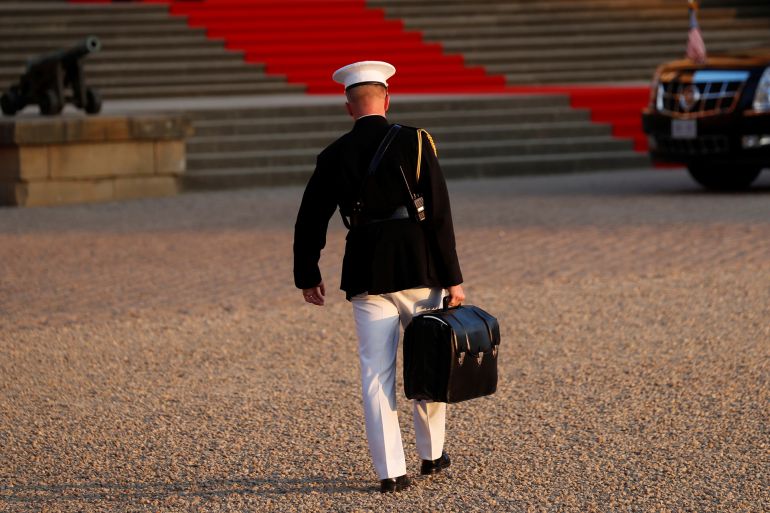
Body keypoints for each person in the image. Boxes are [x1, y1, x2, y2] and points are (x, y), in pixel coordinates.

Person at [293, 61, 465, 493]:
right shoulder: (416, 142)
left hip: (365, 268)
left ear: (348, 106)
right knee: (429, 359)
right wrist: (454, 278)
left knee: (375, 373)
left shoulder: (333, 155)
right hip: (418, 265)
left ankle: (391, 472)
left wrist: (307, 273)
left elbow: (310, 219)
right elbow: (440, 216)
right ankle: (431, 455)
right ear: (386, 100)